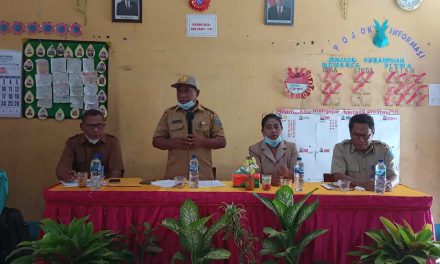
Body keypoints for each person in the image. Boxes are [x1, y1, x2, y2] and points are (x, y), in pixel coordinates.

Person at [152, 74, 226, 180]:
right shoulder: (168, 114)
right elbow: (156, 141)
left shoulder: (210, 115)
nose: (182, 95)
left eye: (187, 91)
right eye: (179, 91)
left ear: (197, 93)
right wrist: (174, 142)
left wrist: (203, 141)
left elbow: (222, 142)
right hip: (175, 180)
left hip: (203, 179)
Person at [331, 114, 399, 191]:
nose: (361, 140)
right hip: (350, 196)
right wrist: (361, 184)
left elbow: (395, 176)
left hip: (377, 196)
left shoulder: (384, 149)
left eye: (365, 136)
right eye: (356, 135)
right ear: (350, 133)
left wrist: (390, 184)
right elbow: (338, 176)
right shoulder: (341, 148)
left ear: (373, 133)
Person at [55, 109, 124, 181]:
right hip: (79, 187)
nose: (95, 129)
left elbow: (116, 172)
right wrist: (67, 175)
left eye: (99, 125)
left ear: (104, 126)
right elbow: (61, 169)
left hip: (104, 187)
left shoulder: (112, 142)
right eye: (91, 126)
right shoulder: (73, 143)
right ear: (82, 126)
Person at [249, 114, 298, 185]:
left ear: (281, 129)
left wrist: (287, 173)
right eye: (268, 127)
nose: (273, 130)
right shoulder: (254, 149)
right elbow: (253, 175)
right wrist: (268, 180)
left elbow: (297, 175)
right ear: (262, 131)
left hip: (287, 191)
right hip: (264, 191)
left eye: (276, 127)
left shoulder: (292, 148)